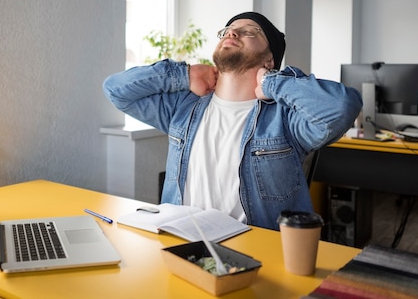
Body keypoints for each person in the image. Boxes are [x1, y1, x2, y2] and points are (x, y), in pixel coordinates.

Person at [103, 11, 362, 230]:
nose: (232, 33)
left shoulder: (285, 119)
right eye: (228, 30)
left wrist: (271, 83)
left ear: (269, 59)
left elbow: (342, 106)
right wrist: (183, 75)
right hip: (183, 241)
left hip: (256, 249)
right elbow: (116, 89)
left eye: (250, 31)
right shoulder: (183, 108)